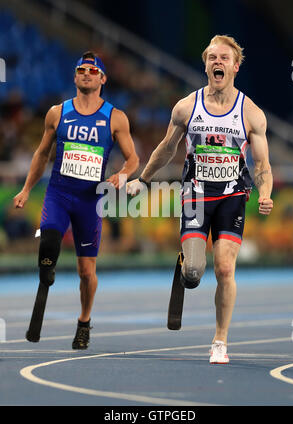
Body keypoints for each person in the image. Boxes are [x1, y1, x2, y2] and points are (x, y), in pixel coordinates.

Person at [127, 35, 273, 364]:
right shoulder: (186, 107)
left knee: (224, 268)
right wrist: (144, 179)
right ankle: (186, 267)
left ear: (236, 66)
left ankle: (220, 341)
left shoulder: (251, 114)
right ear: (205, 64)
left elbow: (262, 164)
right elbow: (167, 148)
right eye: (212, 57)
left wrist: (265, 193)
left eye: (224, 58)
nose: (217, 62)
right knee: (194, 273)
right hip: (195, 195)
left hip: (232, 196)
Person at [14, 51, 139, 349]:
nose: (86, 74)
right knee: (48, 244)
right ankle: (47, 269)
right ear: (74, 76)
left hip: (89, 201)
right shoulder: (57, 113)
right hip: (58, 193)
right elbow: (42, 154)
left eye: (93, 71)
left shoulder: (115, 117)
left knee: (87, 272)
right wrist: (26, 189)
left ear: (103, 79)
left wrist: (122, 174)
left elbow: (133, 158)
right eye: (81, 70)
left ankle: (84, 322)